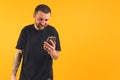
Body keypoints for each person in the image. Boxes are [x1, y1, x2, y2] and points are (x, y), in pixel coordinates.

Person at [11, 4, 61, 80]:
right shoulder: (26, 31)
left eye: (46, 20)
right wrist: (13, 75)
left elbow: (56, 56)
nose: (43, 23)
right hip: (26, 77)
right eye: (40, 19)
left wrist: (52, 52)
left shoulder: (52, 31)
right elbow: (19, 53)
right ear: (34, 15)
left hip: (46, 77)